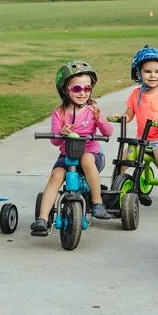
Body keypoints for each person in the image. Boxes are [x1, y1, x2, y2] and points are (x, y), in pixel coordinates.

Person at [30, 60, 114, 234]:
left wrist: (100, 119)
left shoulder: (93, 110)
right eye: (77, 89)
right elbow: (55, 141)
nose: (82, 93)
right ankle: (43, 218)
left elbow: (108, 132)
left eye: (87, 89)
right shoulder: (59, 113)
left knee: (86, 158)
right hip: (67, 157)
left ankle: (97, 202)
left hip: (92, 155)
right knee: (56, 175)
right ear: (65, 90)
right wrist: (61, 132)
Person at [110, 46, 158, 212]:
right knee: (122, 161)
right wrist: (120, 118)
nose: (153, 75)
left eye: (157, 71)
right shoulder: (136, 94)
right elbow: (128, 115)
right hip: (141, 139)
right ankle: (115, 190)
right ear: (138, 74)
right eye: (148, 71)